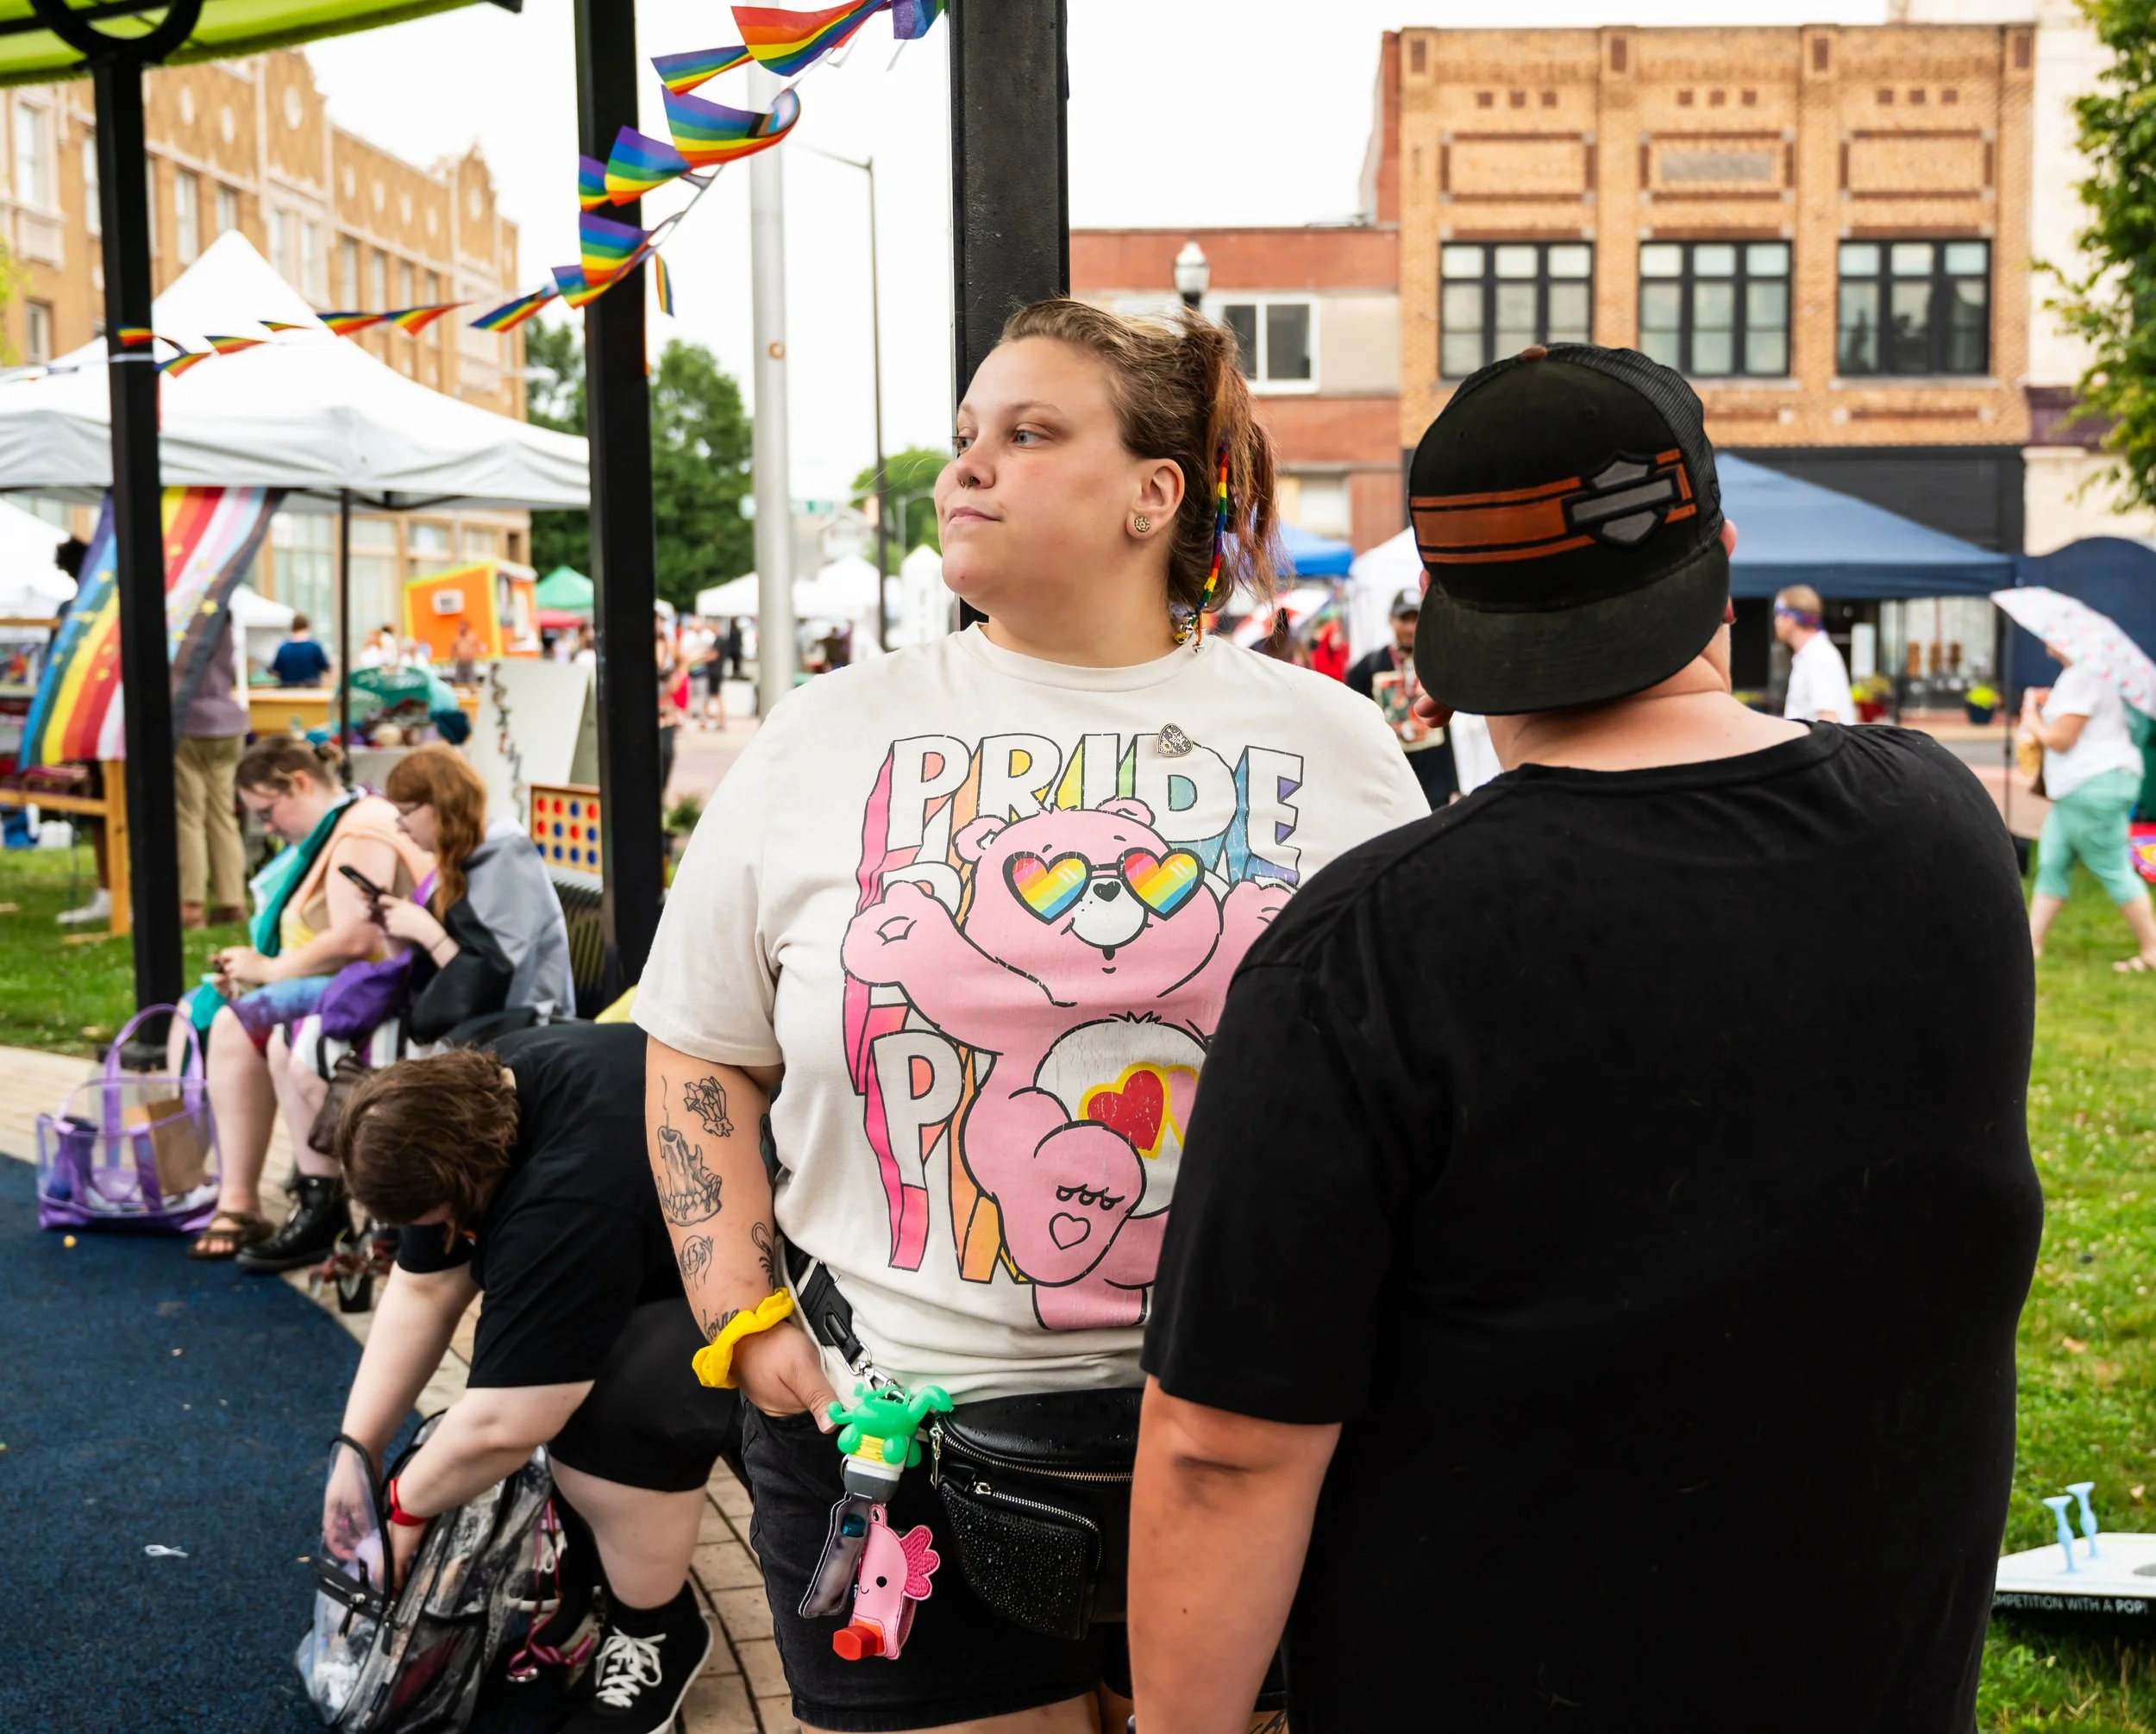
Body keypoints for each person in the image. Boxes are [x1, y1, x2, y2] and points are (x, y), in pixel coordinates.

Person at [1130, 343, 2042, 1732]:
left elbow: (1225, 1448)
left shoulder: (1369, 946)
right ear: (1720, 556)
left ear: (1445, 610)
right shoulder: (1947, 828)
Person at [633, 297, 1427, 1734]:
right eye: (962, 438)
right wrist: (738, 1314)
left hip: (1250, 1443)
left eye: (1029, 432)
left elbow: (1417, 1079)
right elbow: (699, 1046)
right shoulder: (827, 730)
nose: (965, 470)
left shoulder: (1332, 741)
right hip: (892, 1443)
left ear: (1154, 492)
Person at [330, 1029, 740, 1734]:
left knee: (606, 1406)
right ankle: (598, 1577)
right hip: (663, 1233)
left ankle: (658, 1630)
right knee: (550, 1368)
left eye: (440, 1219)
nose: (438, 1234)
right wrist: (355, 1450)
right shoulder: (477, 1095)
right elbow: (425, 1286)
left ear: (467, 1191)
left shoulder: (567, 1197)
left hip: (783, 1278)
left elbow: (510, 1422)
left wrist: (401, 1511)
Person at [248, 742, 577, 1273]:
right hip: (467, 1013)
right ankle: (328, 1200)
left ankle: (357, 1206)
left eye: (406, 813)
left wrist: (422, 928)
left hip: (515, 1019)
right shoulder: (473, 854)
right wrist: (397, 931)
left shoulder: (503, 856)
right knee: (302, 1041)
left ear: (440, 806)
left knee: (318, 1045)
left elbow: (492, 978)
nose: (400, 828)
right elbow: (460, 965)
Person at [181, 738, 430, 1261]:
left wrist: (266, 970)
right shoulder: (345, 824)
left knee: (242, 1023)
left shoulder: (361, 828)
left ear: (299, 782)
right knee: (200, 1012)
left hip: (386, 989)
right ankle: (253, 1194)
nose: (268, 827)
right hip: (367, 986)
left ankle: (297, 1200)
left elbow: (358, 942)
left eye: (268, 811)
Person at [2021, 642, 2156, 971]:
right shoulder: (2091, 675)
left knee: (2112, 867)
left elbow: (2060, 739)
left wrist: (2030, 717)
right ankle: (2029, 947)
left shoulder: (2082, 676)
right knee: (2053, 860)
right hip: (2085, 787)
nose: (2043, 639)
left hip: (2090, 787)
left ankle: (2152, 950)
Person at [175, 604, 248, 929]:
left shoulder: (181, 613)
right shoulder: (223, 613)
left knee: (188, 815)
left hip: (187, 721)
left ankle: (191, 904)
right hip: (228, 720)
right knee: (222, 815)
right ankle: (231, 902)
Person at [1346, 592, 1457, 807]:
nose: (1410, 627)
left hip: (1435, 784)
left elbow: (1445, 729)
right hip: (1392, 783)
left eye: (1415, 619)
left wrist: (1453, 785)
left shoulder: (1436, 663)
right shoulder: (1368, 668)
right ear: (1391, 620)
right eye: (1404, 619)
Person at [1775, 583, 1855, 724]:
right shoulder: (1810, 655)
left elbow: (1829, 720)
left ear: (1790, 618)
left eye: (1778, 614)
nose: (1776, 621)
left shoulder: (1818, 656)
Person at [270, 614, 333, 689]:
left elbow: (275, 670)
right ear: (307, 627)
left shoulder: (283, 647)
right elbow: (326, 668)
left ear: (292, 628)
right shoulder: (314, 646)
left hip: (287, 692)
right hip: (311, 692)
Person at [449, 619, 487, 685]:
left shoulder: (472, 636)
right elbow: (453, 649)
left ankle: (473, 693)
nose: (461, 628)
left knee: (471, 679)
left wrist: (483, 658)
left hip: (469, 662)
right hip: (460, 662)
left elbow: (479, 646)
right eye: (459, 626)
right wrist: (450, 660)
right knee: (459, 679)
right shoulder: (456, 638)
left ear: (466, 627)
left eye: (462, 626)